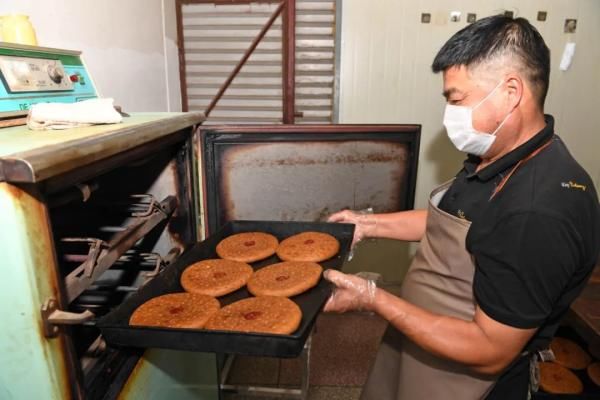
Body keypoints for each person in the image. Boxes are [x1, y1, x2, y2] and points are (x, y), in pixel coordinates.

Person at [324, 15, 600, 400]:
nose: (449, 115)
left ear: (510, 92)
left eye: (456, 99)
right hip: (423, 336)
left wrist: (372, 298)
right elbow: (454, 223)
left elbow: (487, 351)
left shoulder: (538, 213)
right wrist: (367, 226)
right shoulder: (497, 152)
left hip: (469, 379)